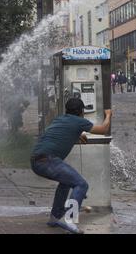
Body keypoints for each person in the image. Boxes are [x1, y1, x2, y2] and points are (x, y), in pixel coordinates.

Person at [30, 98, 112, 234]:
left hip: (36, 160)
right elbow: (103, 129)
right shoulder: (80, 121)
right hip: (47, 160)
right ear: (81, 112)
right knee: (81, 184)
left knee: (66, 182)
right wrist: (108, 114)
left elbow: (62, 132)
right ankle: (68, 219)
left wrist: (78, 134)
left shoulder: (60, 119)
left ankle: (55, 217)